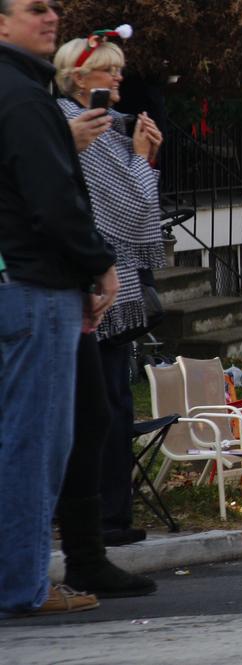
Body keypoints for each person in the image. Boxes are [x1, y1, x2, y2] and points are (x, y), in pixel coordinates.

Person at [1, 0, 119, 617]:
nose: (51, 17)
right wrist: (96, 264)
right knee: (34, 441)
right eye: (35, 8)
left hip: (19, 279)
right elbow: (51, 200)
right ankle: (20, 584)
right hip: (34, 284)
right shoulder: (24, 100)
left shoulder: (25, 96)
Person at [52, 25, 161, 594]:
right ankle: (100, 522)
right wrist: (143, 161)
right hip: (94, 284)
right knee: (99, 409)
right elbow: (129, 211)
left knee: (112, 404)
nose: (118, 78)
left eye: (119, 69)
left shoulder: (109, 130)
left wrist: (139, 155)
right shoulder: (82, 131)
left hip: (109, 282)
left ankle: (109, 518)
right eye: (107, 69)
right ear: (78, 76)